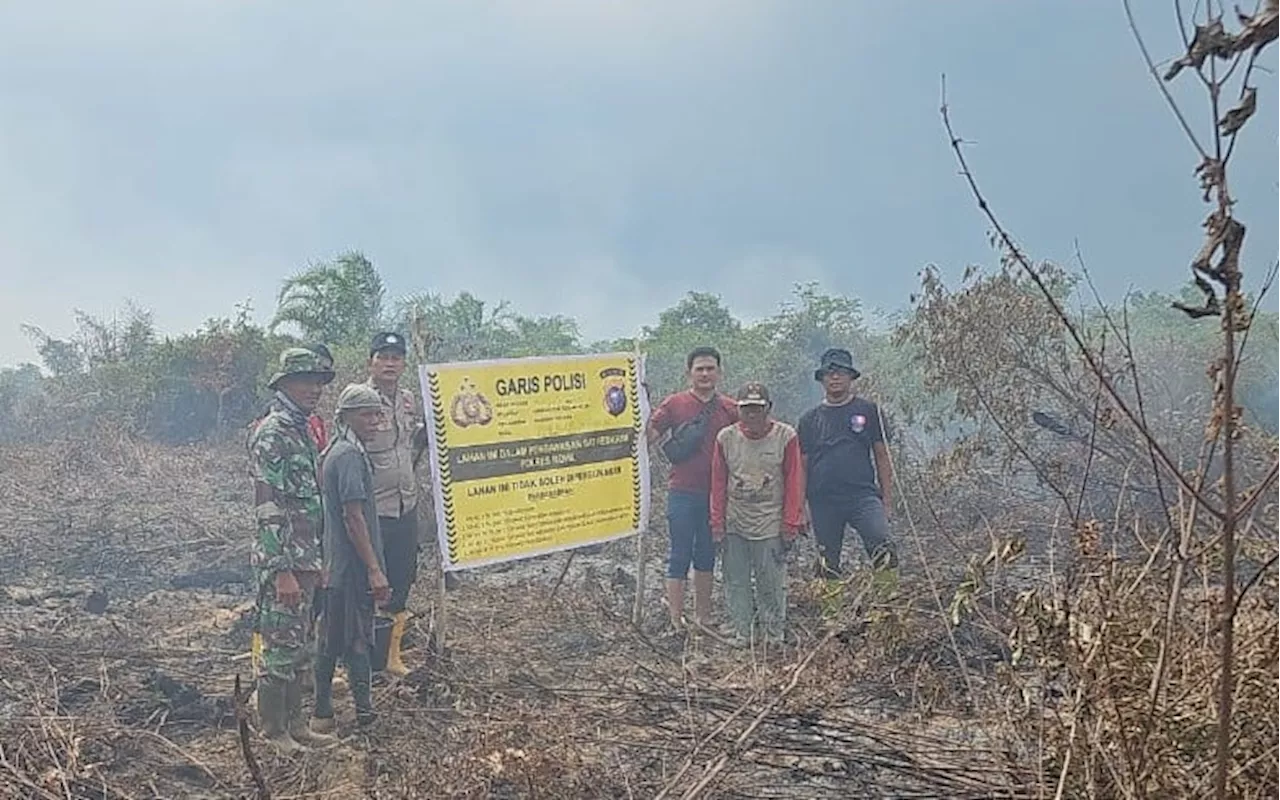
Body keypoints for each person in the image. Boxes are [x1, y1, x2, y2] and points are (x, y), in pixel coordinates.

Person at [247, 347, 338, 752]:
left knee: (301, 648)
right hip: (283, 560)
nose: (314, 389)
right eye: (305, 380)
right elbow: (268, 506)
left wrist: (316, 563)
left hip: (306, 558)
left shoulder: (302, 428)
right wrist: (281, 568)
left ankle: (297, 727)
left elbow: (309, 504)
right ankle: (273, 732)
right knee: (280, 650)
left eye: (318, 382)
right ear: (283, 384)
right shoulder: (273, 432)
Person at [312, 384, 393, 734]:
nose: (375, 421)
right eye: (367, 414)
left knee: (330, 638)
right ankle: (365, 713)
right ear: (346, 416)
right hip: (349, 567)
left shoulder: (338, 450)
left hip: (334, 564)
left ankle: (322, 711)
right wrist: (374, 569)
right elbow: (353, 517)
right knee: (357, 639)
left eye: (378, 413)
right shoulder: (347, 456)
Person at [796, 348, 898, 616]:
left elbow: (882, 456)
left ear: (851, 376)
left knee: (882, 542)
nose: (835, 378)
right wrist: (801, 505)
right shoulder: (809, 420)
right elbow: (802, 465)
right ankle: (833, 615)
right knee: (827, 558)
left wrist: (887, 500)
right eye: (830, 373)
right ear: (822, 379)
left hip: (863, 496)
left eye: (840, 372)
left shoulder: (869, 411)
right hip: (823, 500)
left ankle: (886, 606)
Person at [364, 331, 442, 678]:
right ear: (372, 362)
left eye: (396, 357)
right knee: (367, 583)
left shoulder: (409, 400)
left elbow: (414, 443)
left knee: (401, 580)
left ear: (404, 363)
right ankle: (360, 656)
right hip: (371, 509)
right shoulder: (359, 401)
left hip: (404, 505)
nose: (390, 363)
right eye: (383, 357)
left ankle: (392, 657)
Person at [648, 346, 739, 633]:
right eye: (699, 369)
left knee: (706, 554)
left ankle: (703, 617)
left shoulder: (730, 408)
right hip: (682, 492)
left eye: (710, 368)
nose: (705, 374)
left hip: (717, 495)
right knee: (679, 554)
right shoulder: (674, 404)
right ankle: (676, 619)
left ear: (719, 373)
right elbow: (650, 434)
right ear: (689, 373)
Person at [710, 383, 806, 647]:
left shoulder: (785, 436)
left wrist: (790, 523)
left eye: (757, 409)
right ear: (738, 410)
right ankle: (745, 633)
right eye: (746, 410)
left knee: (771, 582)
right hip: (735, 521)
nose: (752, 415)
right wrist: (716, 523)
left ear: (768, 409)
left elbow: (794, 480)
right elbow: (718, 483)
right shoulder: (726, 438)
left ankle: (774, 634)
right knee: (736, 581)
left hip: (769, 522)